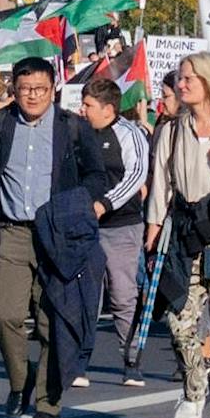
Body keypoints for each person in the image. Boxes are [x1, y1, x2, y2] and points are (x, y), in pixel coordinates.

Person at [0, 54, 110, 418]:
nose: (32, 96)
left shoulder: (72, 127)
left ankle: (48, 403)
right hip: (13, 231)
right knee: (6, 315)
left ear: (53, 90)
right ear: (13, 89)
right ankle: (21, 380)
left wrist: (87, 205)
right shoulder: (0, 122)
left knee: (51, 322)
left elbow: (98, 173)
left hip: (57, 234)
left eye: (40, 89)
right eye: (25, 89)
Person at [147, 50, 210, 418]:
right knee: (179, 319)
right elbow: (161, 183)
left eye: (189, 78)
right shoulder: (172, 130)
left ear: (207, 81)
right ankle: (194, 389)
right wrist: (153, 229)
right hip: (186, 232)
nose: (181, 84)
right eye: (180, 78)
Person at [79, 73, 149, 386]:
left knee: (122, 295)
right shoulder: (79, 132)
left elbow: (136, 175)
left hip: (121, 227)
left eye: (88, 105)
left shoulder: (129, 134)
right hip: (85, 228)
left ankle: (131, 359)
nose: (82, 110)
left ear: (108, 109)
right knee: (85, 295)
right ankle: (79, 360)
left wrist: (105, 204)